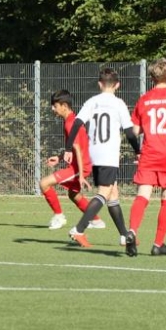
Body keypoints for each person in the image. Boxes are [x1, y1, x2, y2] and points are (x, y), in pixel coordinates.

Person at [67, 67, 140, 248]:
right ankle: (78, 229)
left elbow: (77, 123)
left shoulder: (92, 101)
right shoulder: (119, 103)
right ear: (117, 85)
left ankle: (124, 235)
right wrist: (138, 151)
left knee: (113, 193)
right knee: (104, 193)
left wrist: (67, 148)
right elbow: (129, 132)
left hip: (95, 153)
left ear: (100, 84)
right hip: (109, 154)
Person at [125, 58, 166, 257]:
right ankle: (158, 244)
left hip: (149, 153)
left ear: (152, 78)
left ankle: (132, 231)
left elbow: (134, 131)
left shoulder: (144, 99)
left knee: (142, 195)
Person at [38, 90, 105, 230]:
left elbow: (78, 150)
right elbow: (74, 148)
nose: (53, 109)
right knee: (74, 195)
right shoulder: (72, 120)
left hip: (80, 167)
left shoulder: (70, 124)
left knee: (44, 183)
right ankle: (96, 221)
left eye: (55, 106)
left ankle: (59, 216)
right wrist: (59, 157)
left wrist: (81, 175)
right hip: (80, 165)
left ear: (64, 106)